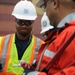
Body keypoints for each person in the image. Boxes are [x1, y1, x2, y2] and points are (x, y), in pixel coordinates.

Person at [22, 0, 75, 75]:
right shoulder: (64, 34)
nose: (45, 13)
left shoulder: (70, 35)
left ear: (55, 3)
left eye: (45, 6)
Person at [0, 0, 44, 75]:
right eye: (20, 22)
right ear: (15, 20)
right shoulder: (1, 42)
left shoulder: (42, 46)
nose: (24, 26)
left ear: (33, 22)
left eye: (28, 23)